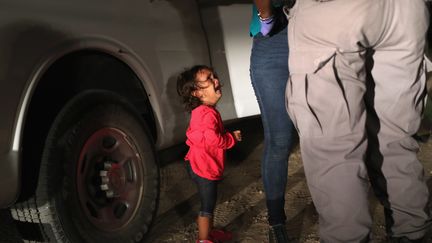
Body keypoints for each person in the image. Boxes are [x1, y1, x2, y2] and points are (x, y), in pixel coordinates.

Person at [285, 0, 431, 242]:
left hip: (334, 13)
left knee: (334, 149)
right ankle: (412, 233)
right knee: (396, 138)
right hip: (407, 11)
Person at [176, 65, 242, 243]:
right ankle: (204, 239)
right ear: (197, 93)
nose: (216, 81)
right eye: (210, 79)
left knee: (210, 203)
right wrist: (231, 139)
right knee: (207, 206)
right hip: (203, 168)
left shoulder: (202, 111)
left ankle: (209, 233)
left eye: (215, 76)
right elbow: (214, 139)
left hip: (198, 163)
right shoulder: (207, 114)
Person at [249, 0, 296, 242]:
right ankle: (276, 221)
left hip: (316, 31)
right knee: (279, 139)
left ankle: (338, 212)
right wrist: (266, 17)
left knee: (324, 133)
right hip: (275, 42)